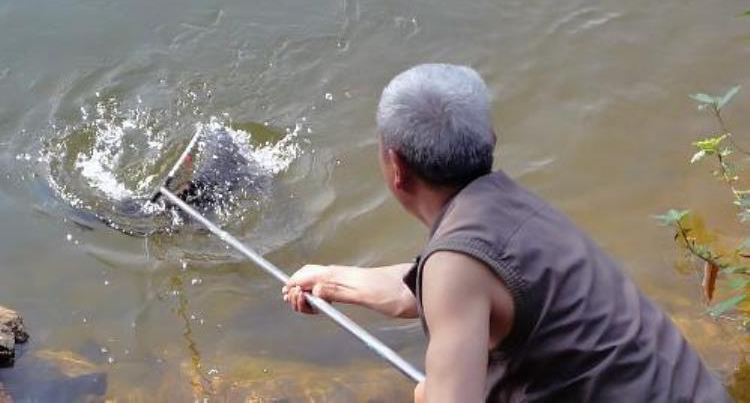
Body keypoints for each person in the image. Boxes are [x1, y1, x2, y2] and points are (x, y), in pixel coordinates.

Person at [281, 64, 730, 402]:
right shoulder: (506, 208)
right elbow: (430, 292)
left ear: (396, 167)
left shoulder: (455, 265)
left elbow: (450, 296)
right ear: (490, 140)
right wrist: (331, 280)